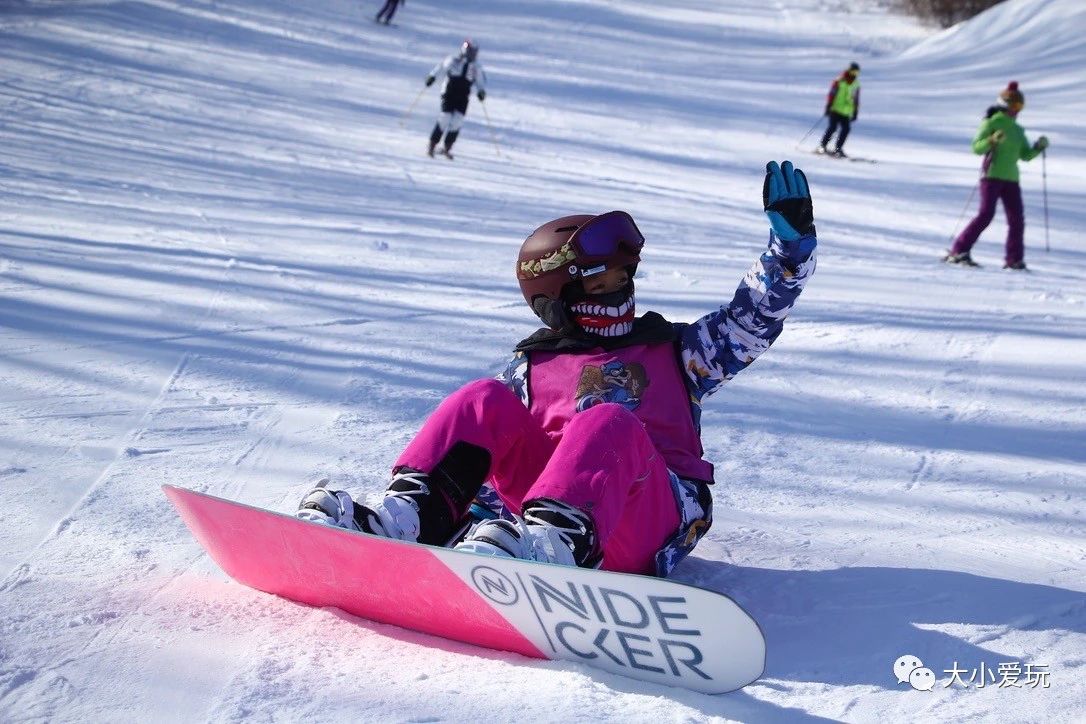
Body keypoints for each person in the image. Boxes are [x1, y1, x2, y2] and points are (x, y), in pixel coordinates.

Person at [297, 161, 818, 576]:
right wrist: (472, 522)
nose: (618, 292)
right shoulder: (531, 369)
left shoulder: (678, 352)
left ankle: (556, 545)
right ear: (560, 301)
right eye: (599, 285)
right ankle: (409, 520)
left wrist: (788, 253)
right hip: (538, 518)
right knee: (481, 399)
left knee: (606, 419)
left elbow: (751, 321)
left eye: (622, 279)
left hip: (650, 515)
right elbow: (488, 456)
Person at [943, 81, 1049, 270]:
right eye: (1014, 106)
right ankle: (959, 251)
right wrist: (991, 140)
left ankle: (1014, 260)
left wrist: (1038, 148)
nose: (1017, 110)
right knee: (986, 215)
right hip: (991, 176)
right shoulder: (991, 123)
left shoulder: (1017, 130)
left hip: (1012, 179)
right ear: (1004, 105)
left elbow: (1025, 155)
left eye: (1020, 106)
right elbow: (977, 147)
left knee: (1017, 220)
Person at [423, 39, 487, 159]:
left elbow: (480, 81)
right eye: (470, 52)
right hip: (449, 92)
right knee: (445, 117)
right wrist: (432, 77)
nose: (472, 55)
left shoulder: (476, 67)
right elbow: (441, 68)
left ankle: (447, 147)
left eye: (474, 52)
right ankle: (432, 145)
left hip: (463, 95)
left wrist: (481, 91)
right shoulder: (453, 60)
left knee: (458, 120)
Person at [817, 62, 861, 158]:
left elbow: (856, 99)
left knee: (846, 129)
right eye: (853, 72)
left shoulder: (856, 84)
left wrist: (855, 111)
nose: (854, 74)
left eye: (857, 73)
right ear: (849, 70)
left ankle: (838, 149)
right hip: (835, 109)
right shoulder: (839, 80)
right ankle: (822, 145)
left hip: (846, 112)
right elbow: (832, 93)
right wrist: (828, 105)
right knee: (833, 128)